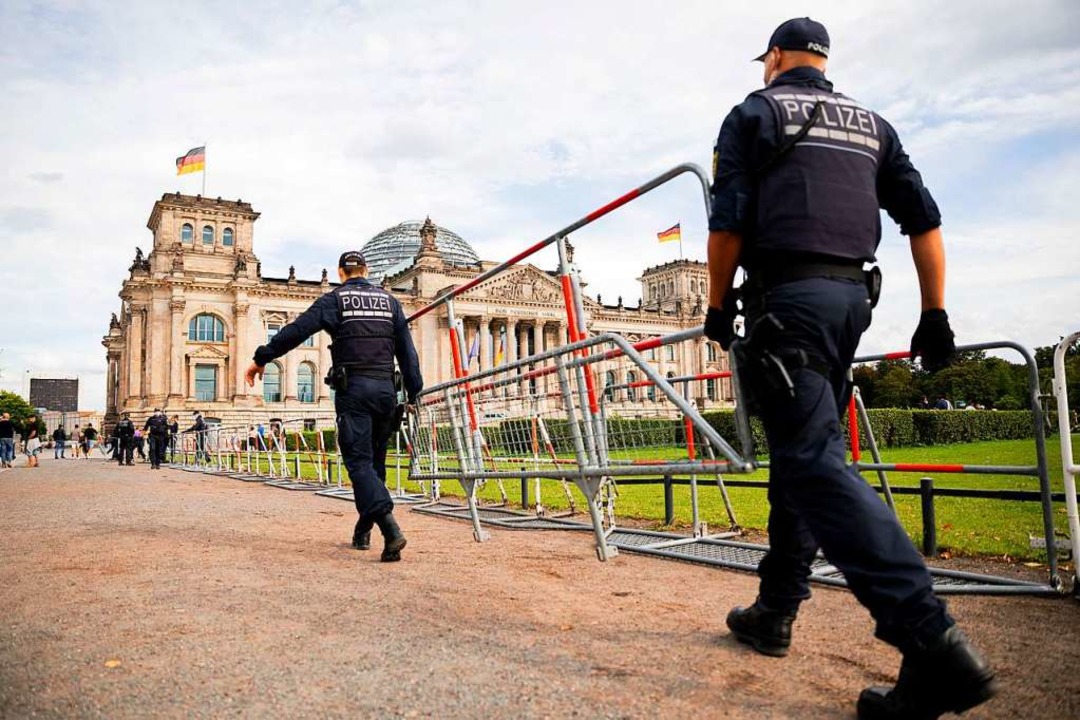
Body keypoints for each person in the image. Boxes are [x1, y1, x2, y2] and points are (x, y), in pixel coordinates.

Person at [703, 18, 994, 719]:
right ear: (825, 62)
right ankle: (776, 607)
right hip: (849, 304)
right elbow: (924, 221)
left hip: (788, 304)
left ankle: (931, 641)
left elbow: (729, 223)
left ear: (774, 57)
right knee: (808, 454)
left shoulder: (754, 111)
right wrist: (935, 314)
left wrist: (716, 307)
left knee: (810, 463)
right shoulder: (874, 125)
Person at [245, 250, 423, 562]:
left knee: (358, 464)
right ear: (365, 270)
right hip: (385, 391)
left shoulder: (336, 300)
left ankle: (390, 528)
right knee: (374, 465)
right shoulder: (390, 302)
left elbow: (296, 331)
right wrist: (414, 391)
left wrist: (262, 357)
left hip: (354, 389)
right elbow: (408, 353)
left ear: (341, 273)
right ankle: (363, 531)